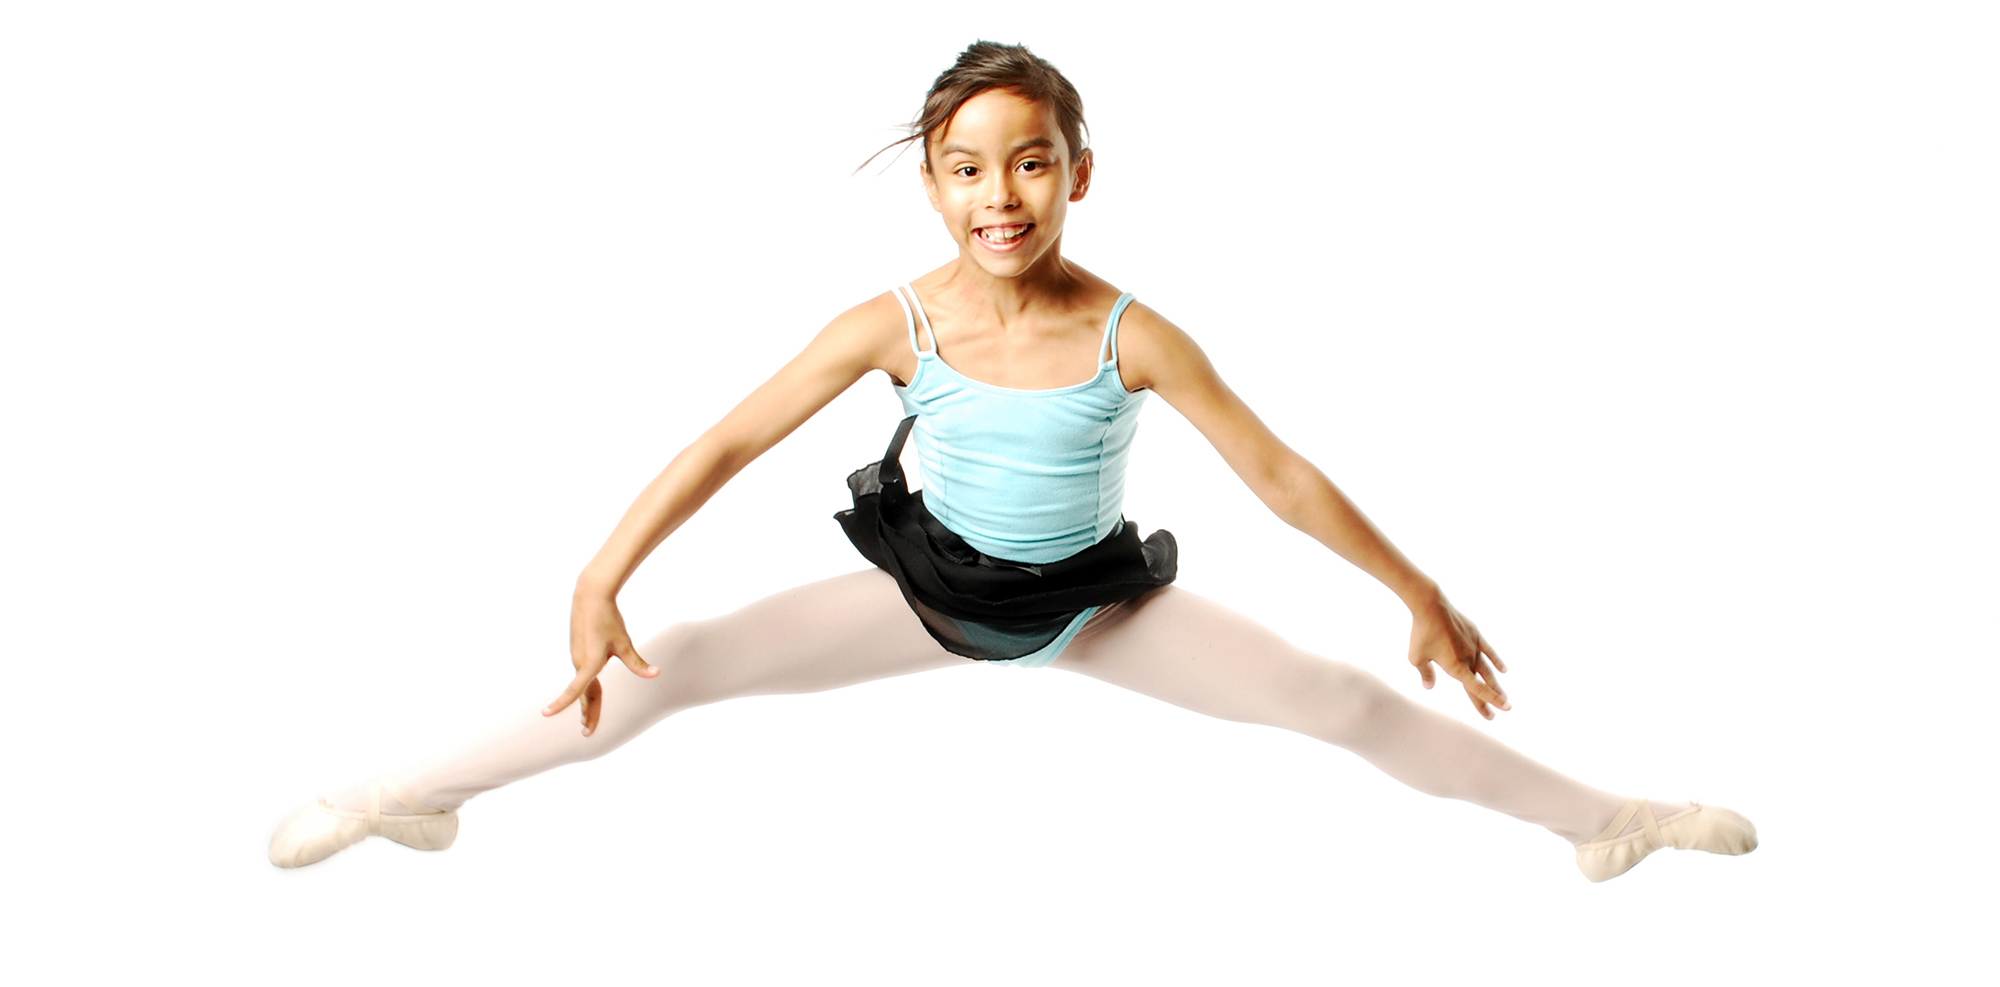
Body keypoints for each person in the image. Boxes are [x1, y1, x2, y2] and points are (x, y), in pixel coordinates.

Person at [269, 41, 1756, 883]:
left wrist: (1418, 587)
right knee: (671, 670)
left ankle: (1612, 822)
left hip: (1091, 604)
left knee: (1348, 704)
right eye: (969, 166)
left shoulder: (1131, 332)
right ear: (932, 181)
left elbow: (1282, 477)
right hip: (926, 591)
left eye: (1031, 160)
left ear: (1078, 172)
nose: (1001, 193)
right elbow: (727, 437)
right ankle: (400, 793)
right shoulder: (892, 322)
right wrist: (600, 575)